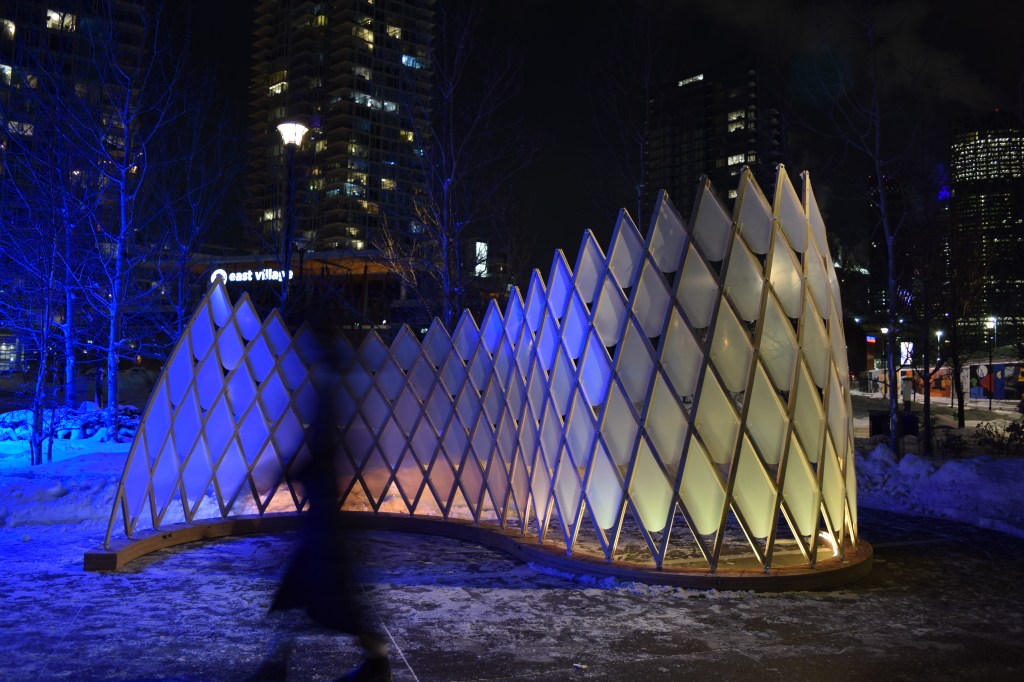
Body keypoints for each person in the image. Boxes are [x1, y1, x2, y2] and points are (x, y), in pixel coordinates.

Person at [249, 332, 391, 682]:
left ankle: (376, 661)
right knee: (301, 592)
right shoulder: (332, 392)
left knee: (326, 595)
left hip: (324, 520)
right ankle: (276, 665)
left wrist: (282, 472)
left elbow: (321, 453)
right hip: (323, 515)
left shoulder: (328, 394)